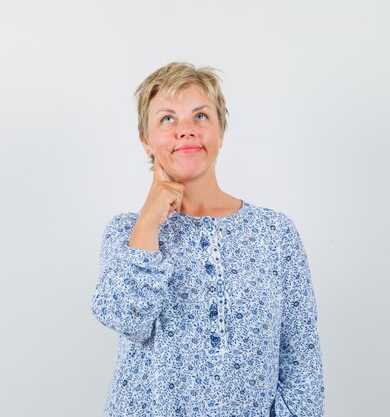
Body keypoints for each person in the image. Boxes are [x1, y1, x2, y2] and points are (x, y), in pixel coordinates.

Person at [90, 62, 325, 417]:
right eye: (167, 119)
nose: (186, 130)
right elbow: (126, 318)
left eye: (200, 116)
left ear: (220, 132)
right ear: (146, 142)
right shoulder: (127, 233)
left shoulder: (275, 235)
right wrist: (149, 222)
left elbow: (301, 364)